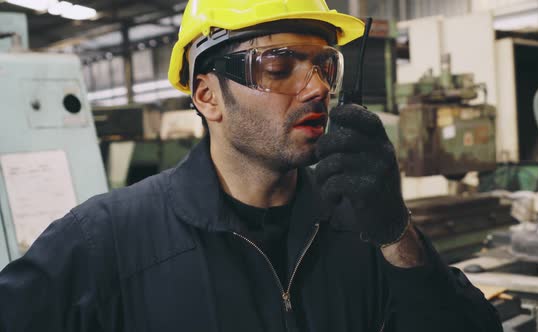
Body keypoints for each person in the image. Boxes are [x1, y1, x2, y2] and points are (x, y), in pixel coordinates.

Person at [0, 1, 502, 331]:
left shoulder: (364, 231)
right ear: (207, 96)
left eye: (324, 66)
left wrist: (397, 234)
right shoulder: (104, 241)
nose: (318, 88)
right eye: (279, 68)